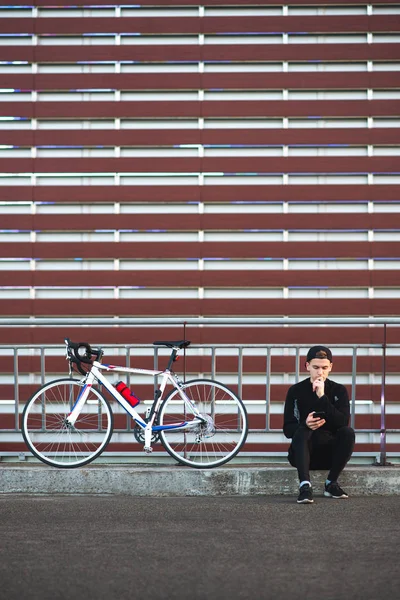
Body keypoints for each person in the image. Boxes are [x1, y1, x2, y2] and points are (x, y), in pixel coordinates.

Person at [283, 345, 355, 504]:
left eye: (324, 368)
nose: (320, 372)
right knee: (303, 430)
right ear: (307, 366)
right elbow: (288, 429)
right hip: (302, 454)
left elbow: (343, 423)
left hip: (330, 456)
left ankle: (331, 483)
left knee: (348, 433)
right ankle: (305, 486)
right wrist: (305, 424)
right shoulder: (296, 391)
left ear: (331, 367)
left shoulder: (338, 390)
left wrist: (322, 396)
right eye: (315, 367)